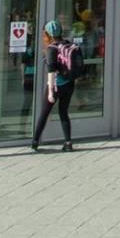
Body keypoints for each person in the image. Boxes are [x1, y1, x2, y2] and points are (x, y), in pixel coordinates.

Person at [32, 21, 79, 152]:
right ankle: (68, 142)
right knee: (63, 112)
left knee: (44, 113)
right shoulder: (69, 45)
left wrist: (51, 92)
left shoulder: (51, 49)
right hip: (69, 84)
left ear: (48, 34)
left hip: (56, 85)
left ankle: (35, 141)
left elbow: (51, 72)